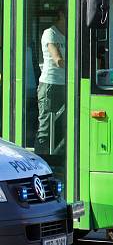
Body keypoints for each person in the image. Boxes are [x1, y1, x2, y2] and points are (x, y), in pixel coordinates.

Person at [37, 9, 67, 154]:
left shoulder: (70, 33)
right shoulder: (50, 33)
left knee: (62, 126)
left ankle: (56, 159)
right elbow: (58, 60)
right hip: (50, 84)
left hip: (65, 85)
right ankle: (40, 158)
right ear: (61, 15)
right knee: (46, 126)